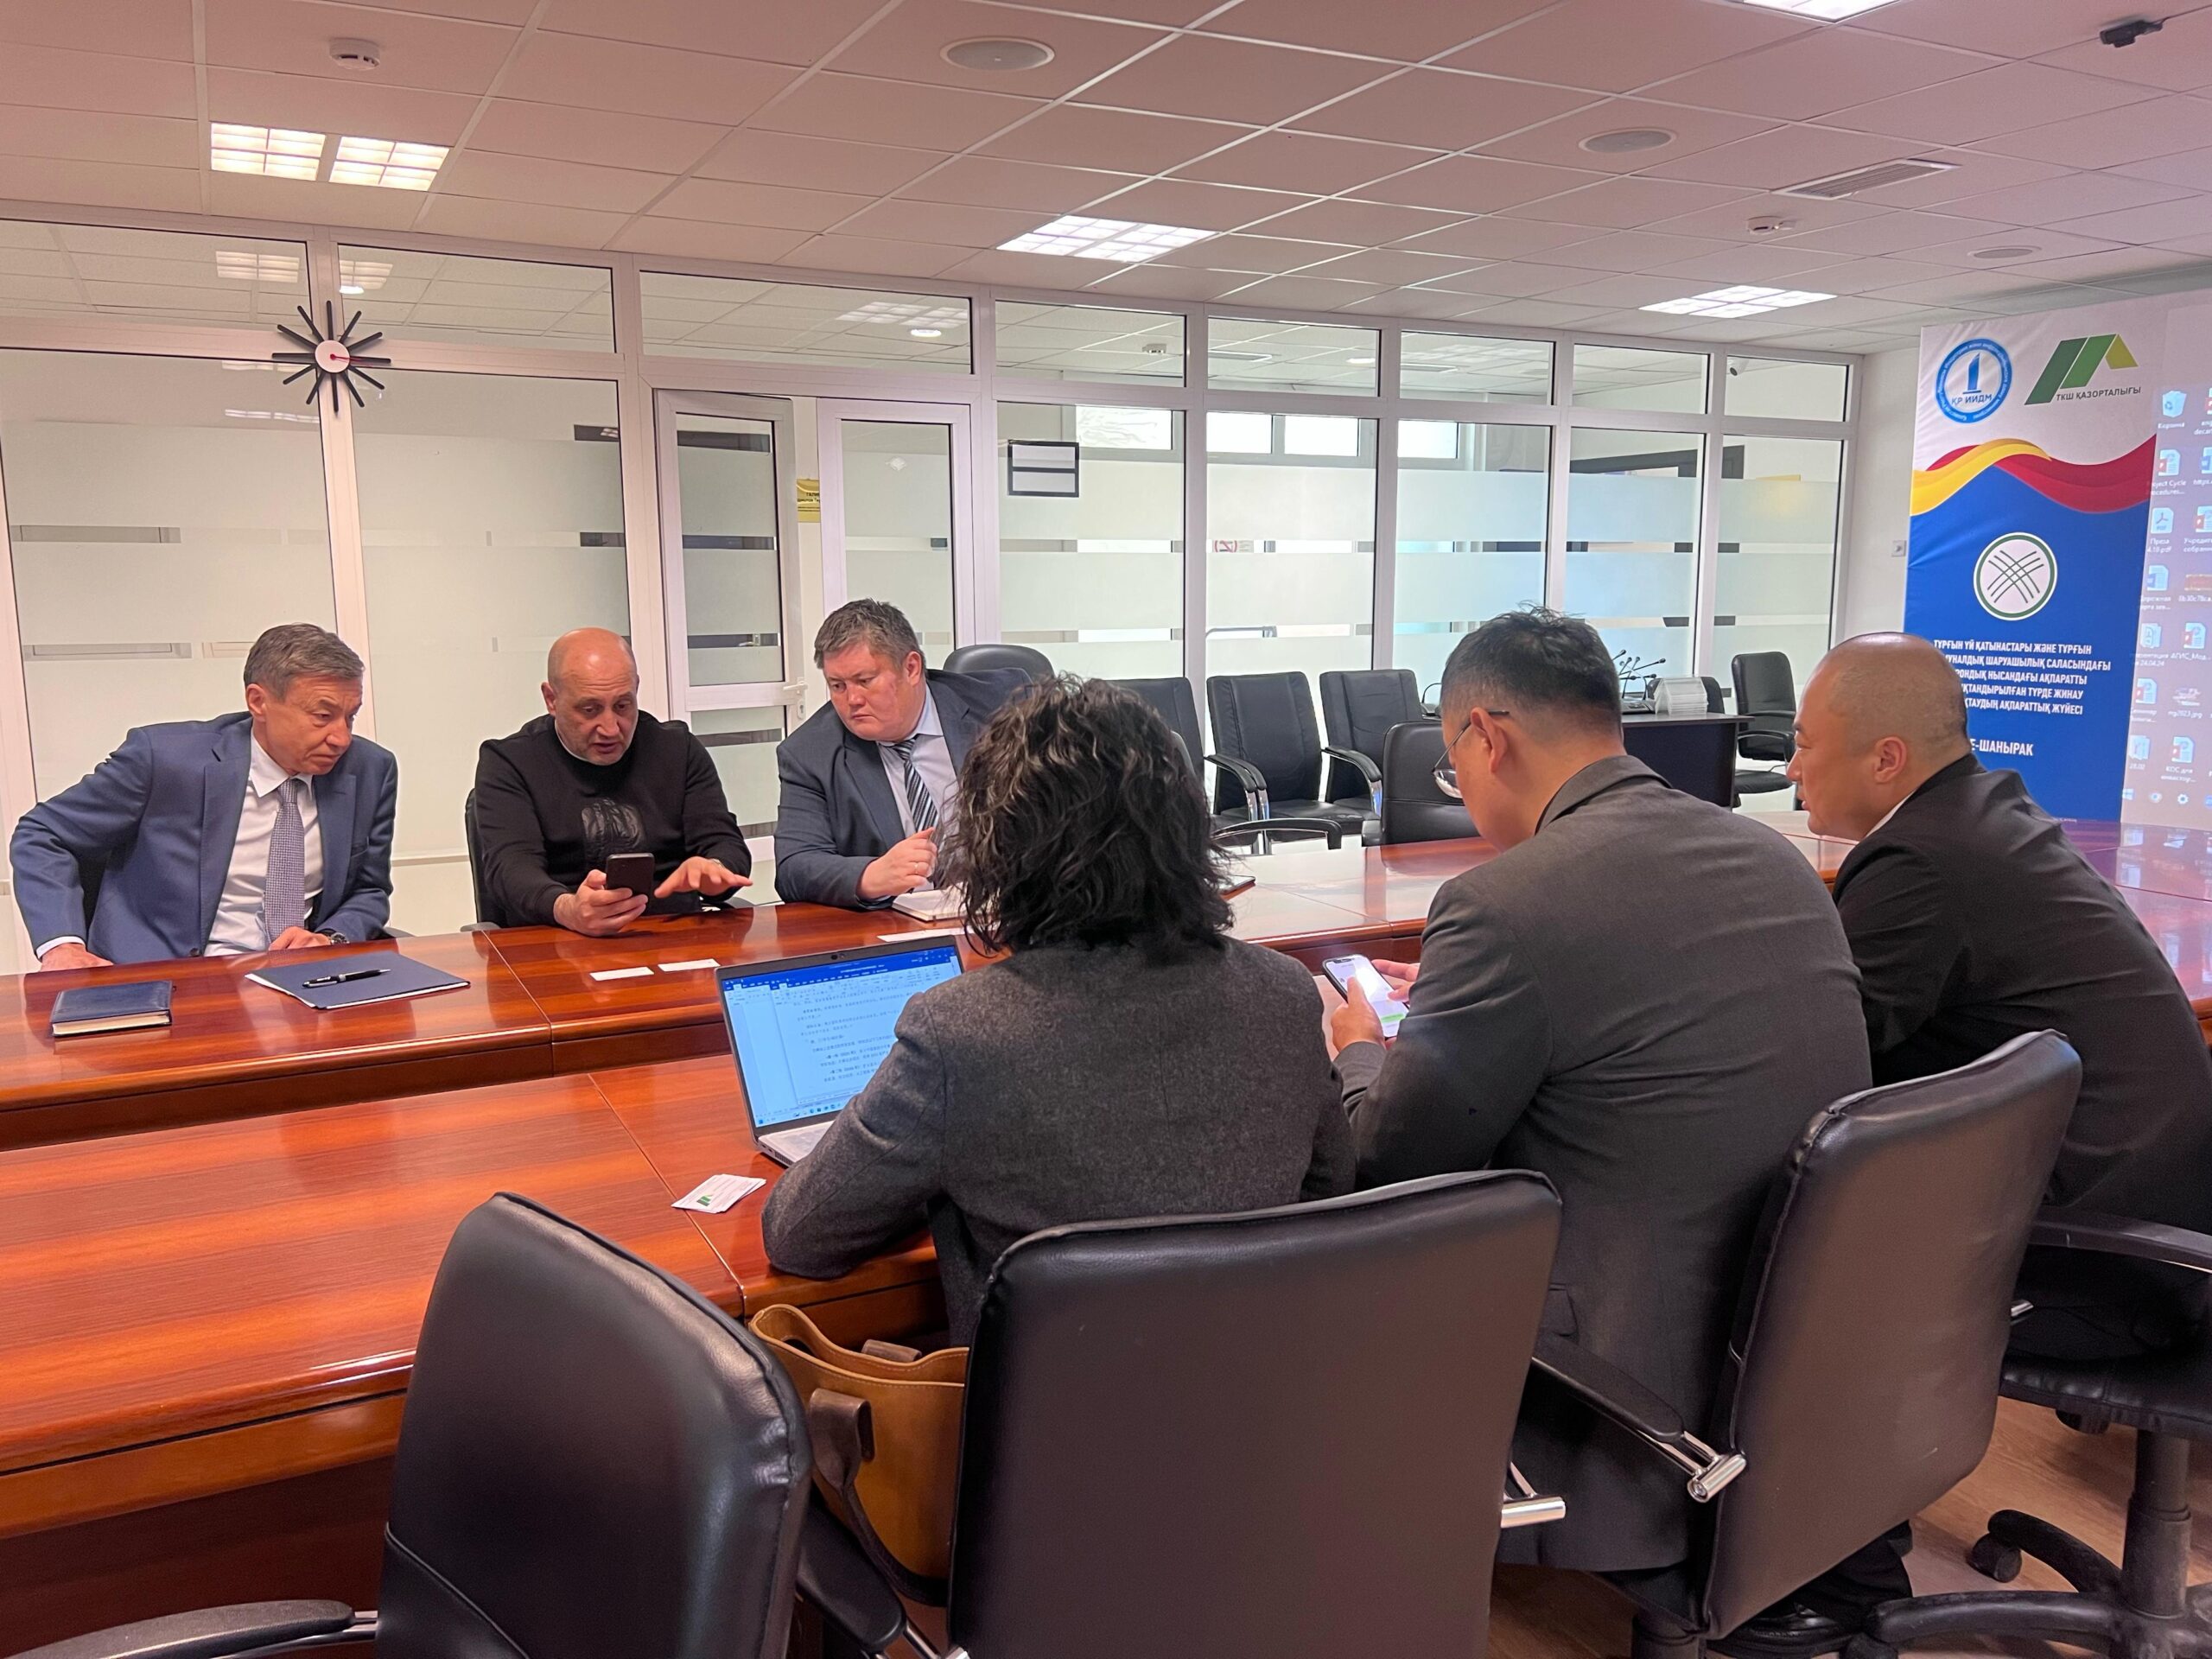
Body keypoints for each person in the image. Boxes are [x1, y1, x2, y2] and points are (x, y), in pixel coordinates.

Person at [1327, 608, 1869, 1582]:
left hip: (1624, 1388)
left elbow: (1386, 1159)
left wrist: (1360, 1048)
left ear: (1485, 737)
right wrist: (1460, 1004)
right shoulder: (1771, 859)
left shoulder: (1503, 903)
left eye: (1453, 764)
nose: (1461, 786)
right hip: (1796, 1351)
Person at [1758, 633, 2212, 1652]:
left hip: (2113, 1269)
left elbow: (1825, 1052)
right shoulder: (1984, 819)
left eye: (1805, 743)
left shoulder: (1917, 860)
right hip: (2169, 1229)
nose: (1789, 768)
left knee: (1806, 1258)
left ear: (1885, 758)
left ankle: (1847, 1584)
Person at [762, 676, 1354, 1342]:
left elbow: (800, 1234)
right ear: (1188, 830)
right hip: (1260, 1388)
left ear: (1000, 851)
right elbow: (1330, 1191)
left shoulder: (960, 1034)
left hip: (1045, 1406)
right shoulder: (1283, 993)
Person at [11, 623, 397, 968]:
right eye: (322, 716)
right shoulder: (164, 760)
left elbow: (369, 890)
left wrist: (330, 938)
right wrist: (63, 947)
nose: (341, 738)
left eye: (350, 716)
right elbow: (44, 834)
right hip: (166, 978)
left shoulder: (370, 770)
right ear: (258, 702)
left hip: (301, 979)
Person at [473, 628, 751, 933]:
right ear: (552, 699)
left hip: (670, 934)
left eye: (622, 706)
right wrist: (568, 909)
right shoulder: (510, 762)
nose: (610, 728)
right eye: (589, 709)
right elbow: (512, 869)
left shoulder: (677, 750)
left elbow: (725, 844)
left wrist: (715, 870)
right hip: (558, 937)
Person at [772, 599, 1030, 910]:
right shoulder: (810, 753)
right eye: (837, 685)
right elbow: (794, 867)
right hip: (899, 921)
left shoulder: (1007, 705)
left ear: (911, 668)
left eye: (865, 681)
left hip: (1012, 907)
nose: (852, 699)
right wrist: (869, 876)